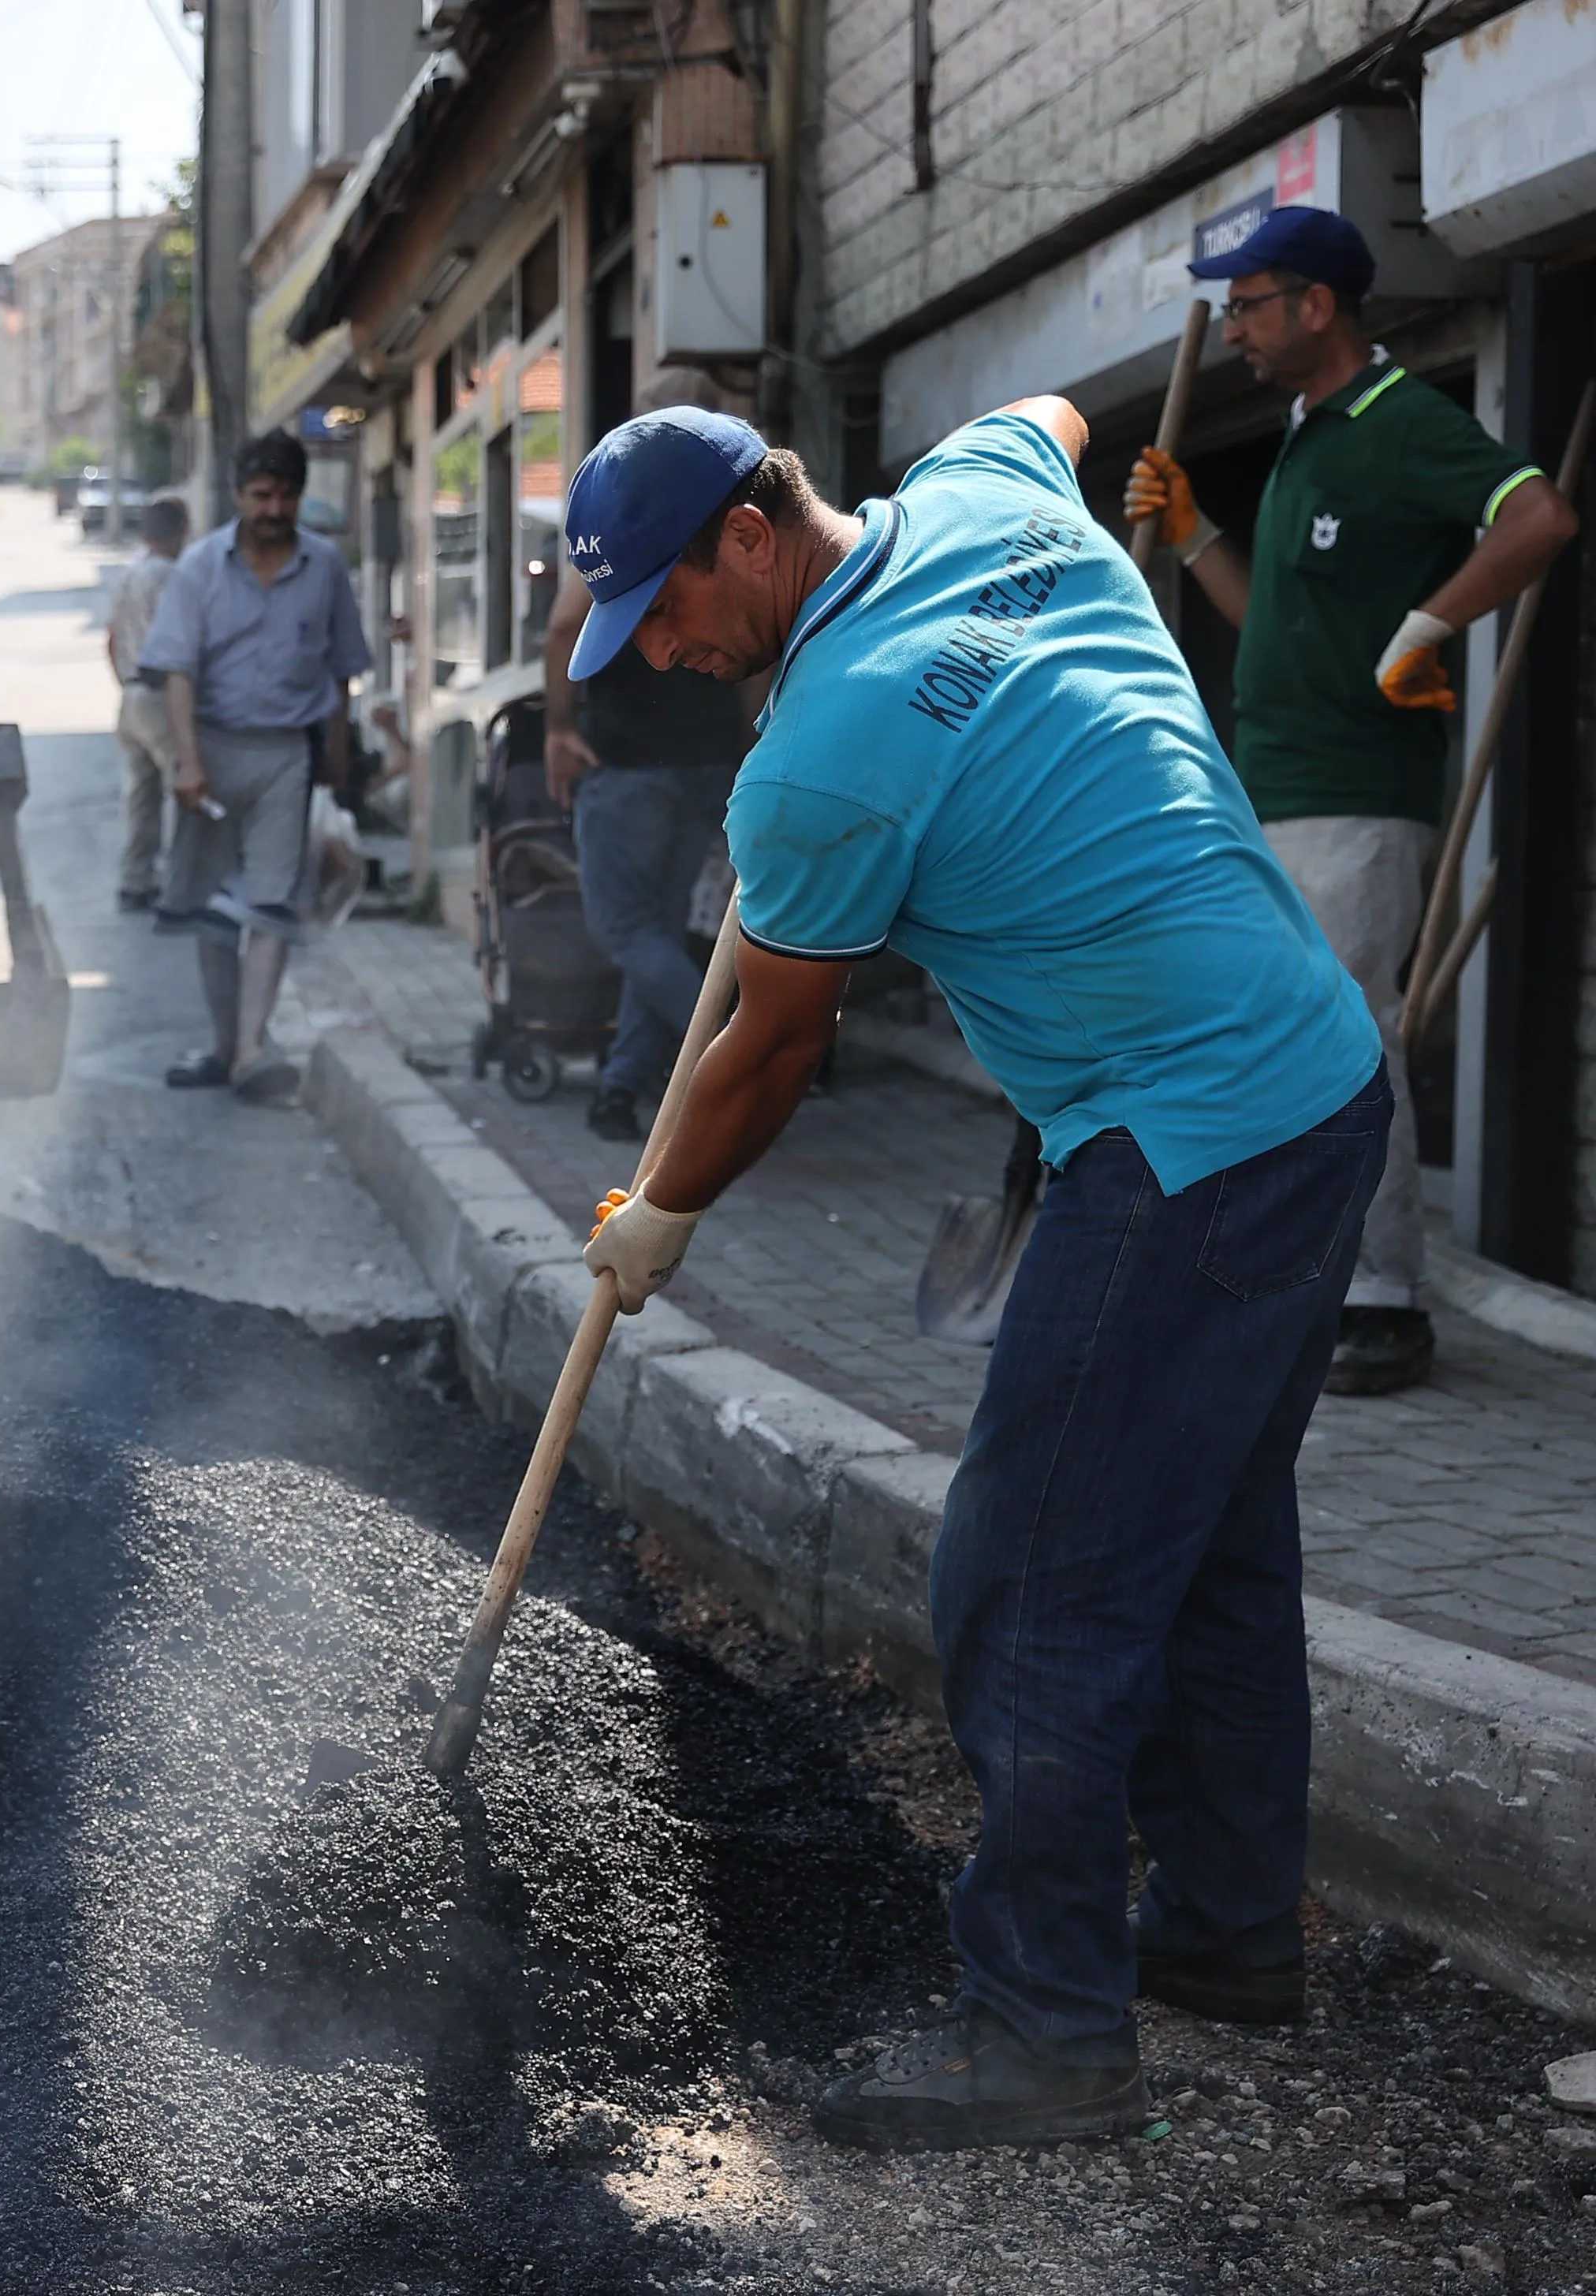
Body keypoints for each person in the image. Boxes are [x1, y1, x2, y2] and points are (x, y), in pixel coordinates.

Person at [564, 401, 1386, 2149]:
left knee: (1027, 1582)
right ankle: (1230, 1933)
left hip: (1188, 1144)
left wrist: (660, 1213)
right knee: (1220, 1545)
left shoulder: (819, 760)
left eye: (669, 609)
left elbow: (774, 1054)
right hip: (1321, 1077)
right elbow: (1054, 408)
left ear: (753, 534)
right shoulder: (984, 482)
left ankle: (1043, 2029)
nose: (668, 651)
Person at [1124, 207, 1577, 1395]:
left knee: (1344, 1038)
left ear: (1317, 305)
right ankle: (1310, 1273)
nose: (1232, 329)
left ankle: (1384, 1303)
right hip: (1267, 788)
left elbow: (1541, 517)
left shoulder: (1398, 424)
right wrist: (1194, 530)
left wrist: (1430, 628)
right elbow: (1267, 620)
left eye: (1249, 303)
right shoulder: (1303, 437)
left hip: (1356, 794)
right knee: (1285, 1041)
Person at [136, 431, 372, 1104]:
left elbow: (341, 667)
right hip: (209, 745)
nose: (274, 508)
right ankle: (220, 1043)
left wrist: (334, 749)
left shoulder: (323, 566)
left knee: (272, 904)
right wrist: (185, 759)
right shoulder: (199, 569)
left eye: (287, 495)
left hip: (284, 756)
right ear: (239, 496)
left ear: (302, 496)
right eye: (262, 495)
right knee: (211, 910)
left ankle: (249, 1050)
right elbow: (176, 668)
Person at [543, 565, 759, 1141]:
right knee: (657, 930)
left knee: (624, 927)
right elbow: (754, 645)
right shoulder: (710, 519)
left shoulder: (620, 524)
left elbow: (566, 625)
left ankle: (735, 1059)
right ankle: (624, 1085)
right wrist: (747, 741)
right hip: (708, 755)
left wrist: (558, 727)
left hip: (630, 759)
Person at [105, 494, 192, 912]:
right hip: (161, 695)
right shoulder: (172, 577)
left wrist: (125, 682)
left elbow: (111, 638)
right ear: (181, 533)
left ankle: (135, 881)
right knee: (186, 785)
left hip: (132, 694)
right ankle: (183, 883)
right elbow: (181, 642)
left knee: (141, 794)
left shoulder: (128, 574)